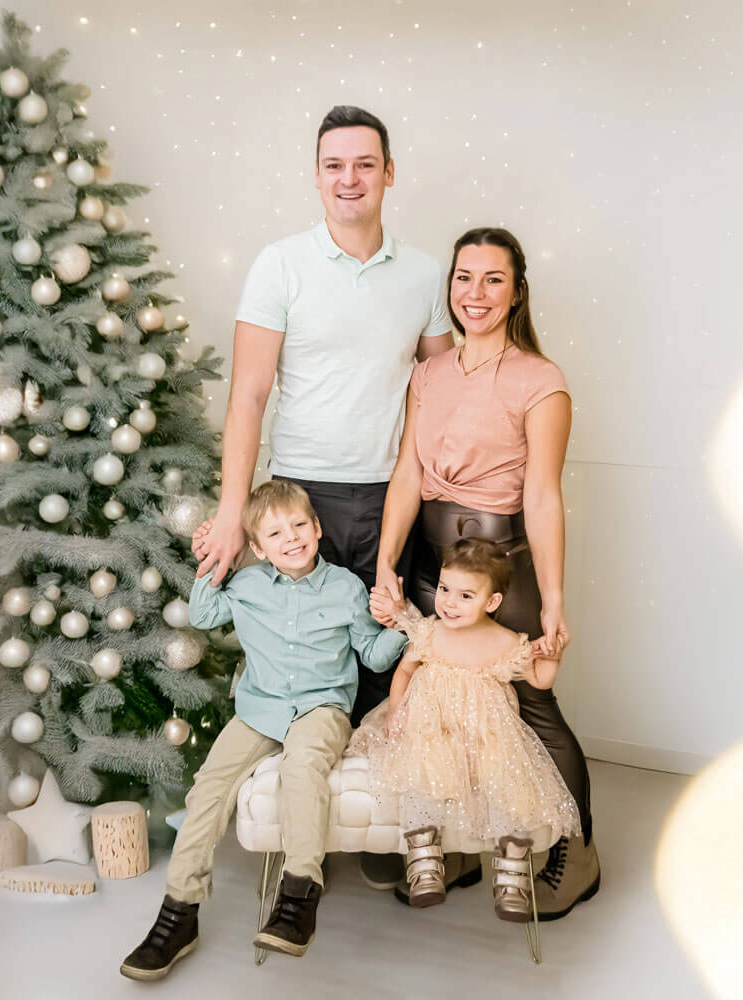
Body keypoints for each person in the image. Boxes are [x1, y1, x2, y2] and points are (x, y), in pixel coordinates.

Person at [192, 104, 454, 891]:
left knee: (381, 654)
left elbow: (438, 393)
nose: (350, 179)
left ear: (389, 173)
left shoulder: (422, 275)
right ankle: (305, 828)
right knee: (303, 648)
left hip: (391, 495)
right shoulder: (279, 265)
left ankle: (374, 826)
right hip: (298, 492)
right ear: (316, 175)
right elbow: (248, 395)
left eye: (365, 163)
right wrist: (235, 515)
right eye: (334, 165)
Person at [371, 227, 600, 920]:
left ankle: (578, 851)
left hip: (503, 559)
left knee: (529, 701)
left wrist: (554, 598)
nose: (476, 293)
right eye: (464, 278)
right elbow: (408, 472)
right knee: (435, 700)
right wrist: (386, 563)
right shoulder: (429, 373)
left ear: (517, 290)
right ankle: (461, 846)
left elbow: (543, 494)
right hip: (429, 563)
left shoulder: (541, 380)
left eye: (493, 279)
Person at [119, 481, 407, 982]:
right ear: (257, 547)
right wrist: (214, 557)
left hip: (322, 708)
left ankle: (298, 898)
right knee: (209, 788)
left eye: (299, 525)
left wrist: (401, 624)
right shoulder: (248, 585)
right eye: (275, 533)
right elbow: (203, 614)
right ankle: (178, 914)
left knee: (303, 767)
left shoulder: (345, 587)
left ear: (316, 528)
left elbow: (372, 654)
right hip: (260, 709)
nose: (291, 538)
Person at [354, 538, 581, 920]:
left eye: (464, 595)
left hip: (485, 735)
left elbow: (539, 679)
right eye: (444, 589)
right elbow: (405, 671)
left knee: (512, 786)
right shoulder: (430, 632)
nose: (448, 603)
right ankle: (425, 861)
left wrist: (554, 656)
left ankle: (510, 875)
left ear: (491, 602)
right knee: (419, 779)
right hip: (432, 729)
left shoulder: (505, 642)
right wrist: (397, 711)